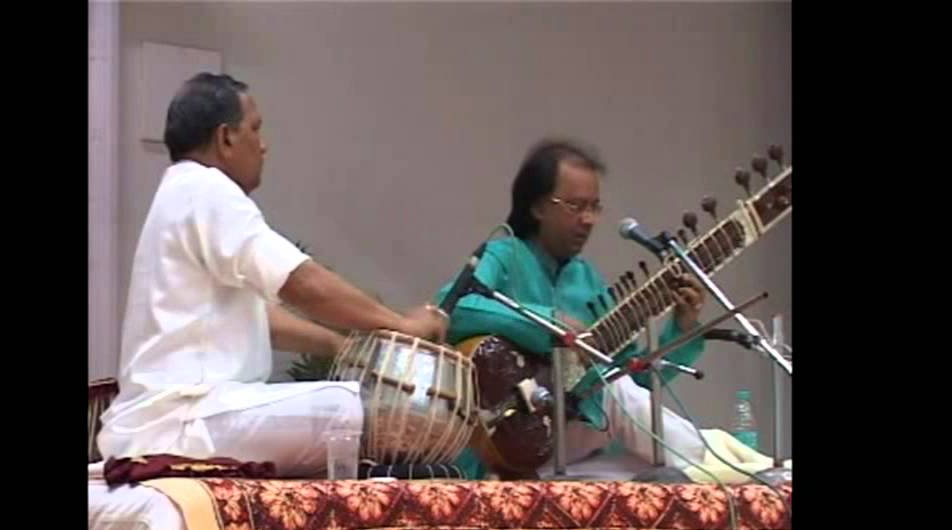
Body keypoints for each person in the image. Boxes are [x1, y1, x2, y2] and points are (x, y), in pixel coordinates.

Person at [97, 73, 447, 477]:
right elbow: (302, 282)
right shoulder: (208, 189)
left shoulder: (182, 192)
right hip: (184, 423)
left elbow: (260, 318)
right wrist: (402, 325)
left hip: (169, 423)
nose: (264, 145)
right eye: (255, 129)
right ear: (226, 138)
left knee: (346, 411)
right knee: (352, 409)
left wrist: (339, 346)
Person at [435, 139, 708, 480]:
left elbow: (637, 379)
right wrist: (550, 326)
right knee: (613, 389)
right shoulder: (504, 254)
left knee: (657, 475)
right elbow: (453, 307)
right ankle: (711, 464)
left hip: (567, 451)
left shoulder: (587, 279)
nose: (589, 219)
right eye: (576, 206)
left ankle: (705, 474)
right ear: (537, 207)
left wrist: (679, 329)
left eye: (595, 207)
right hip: (502, 444)